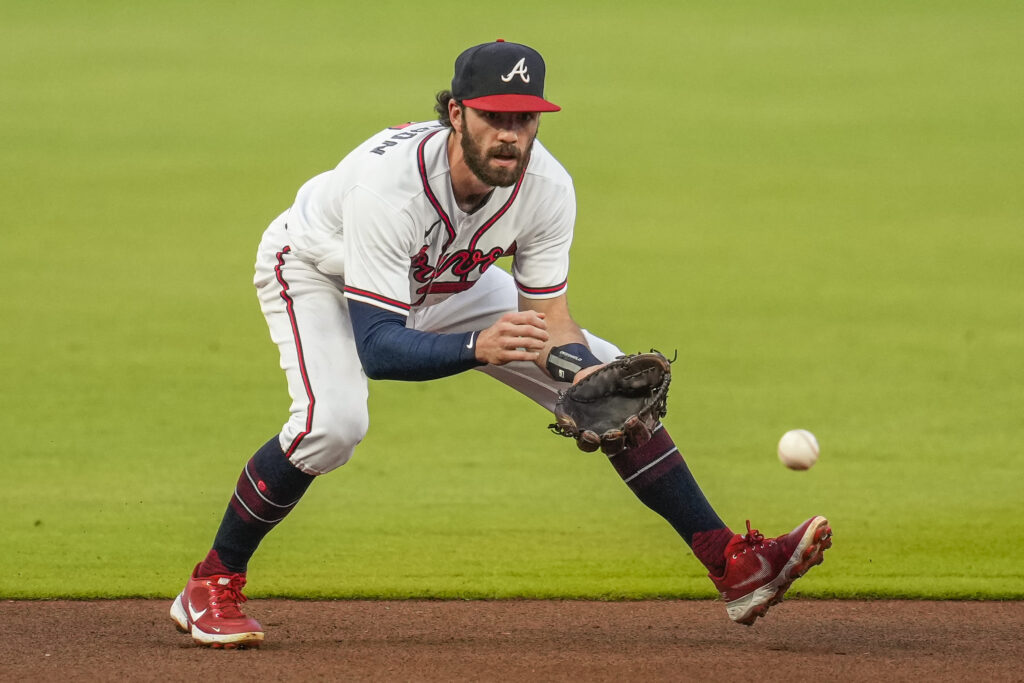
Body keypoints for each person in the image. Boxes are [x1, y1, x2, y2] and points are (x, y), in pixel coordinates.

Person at [170, 40, 832, 649]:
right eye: (495, 116)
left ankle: (734, 565)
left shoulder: (547, 188)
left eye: (525, 118)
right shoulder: (389, 189)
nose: (511, 135)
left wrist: (579, 373)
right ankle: (212, 579)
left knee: (611, 391)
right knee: (333, 424)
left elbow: (551, 321)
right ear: (456, 114)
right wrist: (478, 345)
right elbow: (378, 345)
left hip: (447, 277)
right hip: (322, 270)